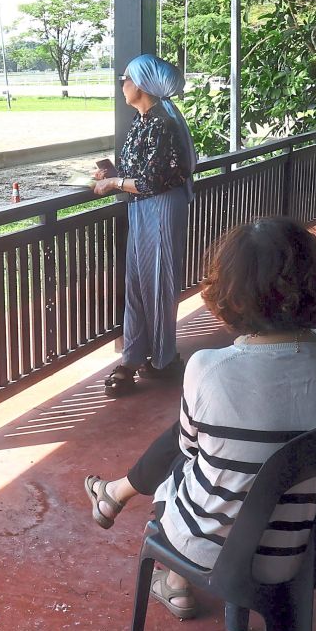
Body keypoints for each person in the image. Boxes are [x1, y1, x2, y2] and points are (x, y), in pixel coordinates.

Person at [83, 217, 316, 619]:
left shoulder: (210, 368)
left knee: (189, 453)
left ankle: (174, 579)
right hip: (315, 548)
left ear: (231, 294)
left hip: (217, 549)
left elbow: (187, 450)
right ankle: (117, 497)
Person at [93, 54, 196, 397]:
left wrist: (113, 185)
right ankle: (134, 356)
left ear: (139, 84)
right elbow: (140, 171)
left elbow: (153, 180)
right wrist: (113, 174)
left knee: (159, 285)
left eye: (124, 79)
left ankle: (163, 359)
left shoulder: (162, 123)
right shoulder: (145, 119)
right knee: (138, 283)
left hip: (161, 208)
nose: (121, 85)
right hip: (144, 207)